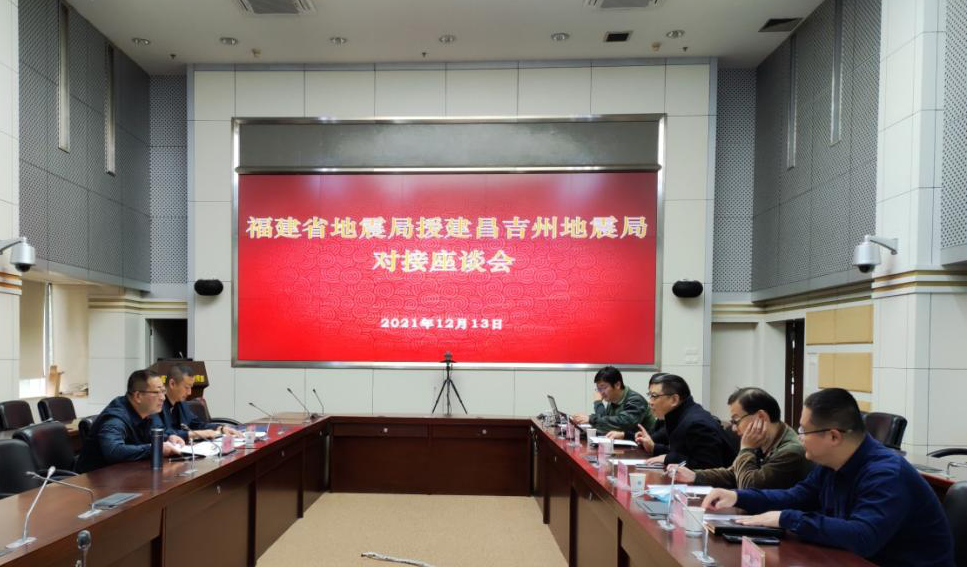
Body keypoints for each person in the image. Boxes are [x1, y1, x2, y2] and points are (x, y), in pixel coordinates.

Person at [702, 388, 954, 567]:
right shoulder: (831, 462)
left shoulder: (887, 473)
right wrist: (737, 496)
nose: (799, 437)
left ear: (834, 436)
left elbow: (863, 536)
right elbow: (796, 496)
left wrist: (785, 518)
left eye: (804, 430)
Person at [671, 387, 813, 489]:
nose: (733, 428)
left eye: (736, 420)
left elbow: (748, 486)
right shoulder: (764, 440)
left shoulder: (790, 451)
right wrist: (695, 475)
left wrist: (746, 449)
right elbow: (734, 474)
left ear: (761, 417)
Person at [76, 370, 184, 473]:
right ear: (138, 396)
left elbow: (152, 434)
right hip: (95, 479)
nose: (163, 398)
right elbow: (113, 451)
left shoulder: (147, 412)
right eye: (157, 392)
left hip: (127, 472)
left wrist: (168, 438)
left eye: (163, 391)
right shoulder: (115, 419)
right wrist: (155, 448)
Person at [634, 374, 736, 469]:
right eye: (650, 395)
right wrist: (654, 448)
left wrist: (668, 458)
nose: (650, 402)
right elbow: (683, 452)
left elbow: (708, 467)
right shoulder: (680, 416)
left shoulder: (697, 424)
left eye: (654, 396)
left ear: (674, 400)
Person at [154, 364, 243, 440]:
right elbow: (163, 434)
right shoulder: (156, 404)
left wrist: (221, 428)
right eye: (186, 387)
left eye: (191, 387)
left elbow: (197, 424)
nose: (189, 392)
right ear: (172, 384)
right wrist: (196, 434)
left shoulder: (181, 403)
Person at [571, 366, 654, 439]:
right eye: (599, 389)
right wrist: (598, 402)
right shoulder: (612, 400)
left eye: (604, 388)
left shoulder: (635, 400)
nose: (601, 393)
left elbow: (622, 424)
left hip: (644, 447)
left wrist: (591, 418)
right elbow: (605, 423)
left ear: (617, 385)